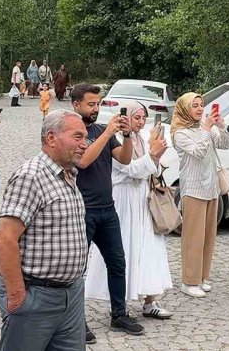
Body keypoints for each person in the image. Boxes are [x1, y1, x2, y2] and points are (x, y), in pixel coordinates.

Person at [0, 110, 90, 351]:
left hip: (71, 295)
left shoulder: (68, 174)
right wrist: (17, 295)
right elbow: (5, 239)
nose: (84, 144)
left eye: (85, 137)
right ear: (51, 138)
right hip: (36, 294)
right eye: (77, 137)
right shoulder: (31, 177)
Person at [85, 101, 174, 320]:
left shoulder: (142, 139)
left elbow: (148, 168)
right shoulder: (115, 140)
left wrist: (154, 156)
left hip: (143, 199)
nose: (141, 122)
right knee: (123, 247)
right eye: (137, 117)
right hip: (124, 199)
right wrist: (152, 156)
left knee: (148, 246)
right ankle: (119, 303)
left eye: (144, 118)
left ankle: (150, 299)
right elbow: (128, 169)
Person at [70, 83, 144, 342]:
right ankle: (76, 322)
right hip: (82, 210)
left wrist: (125, 136)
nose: (95, 108)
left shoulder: (104, 129)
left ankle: (119, 314)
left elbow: (124, 159)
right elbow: (83, 161)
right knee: (78, 269)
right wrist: (107, 133)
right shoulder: (73, 132)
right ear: (76, 104)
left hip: (107, 208)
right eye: (91, 104)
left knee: (117, 262)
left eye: (98, 103)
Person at [171, 92, 229, 299]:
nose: (199, 109)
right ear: (185, 108)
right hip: (194, 189)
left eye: (201, 105)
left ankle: (203, 276)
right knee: (193, 238)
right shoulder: (180, 133)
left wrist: (220, 126)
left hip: (211, 188)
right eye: (194, 105)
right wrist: (206, 129)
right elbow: (198, 152)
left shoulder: (204, 128)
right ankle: (189, 281)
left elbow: (224, 144)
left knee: (208, 236)